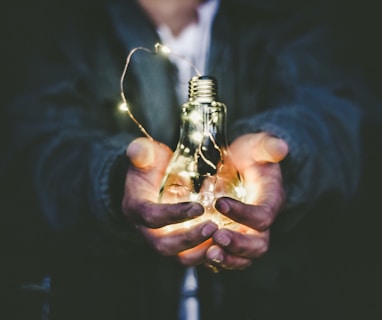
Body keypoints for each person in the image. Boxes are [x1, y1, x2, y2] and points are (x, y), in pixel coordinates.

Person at [1, 0, 379, 319]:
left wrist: (283, 153)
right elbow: (31, 146)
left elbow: (339, 114)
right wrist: (115, 181)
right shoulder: (63, 24)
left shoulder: (289, 17)